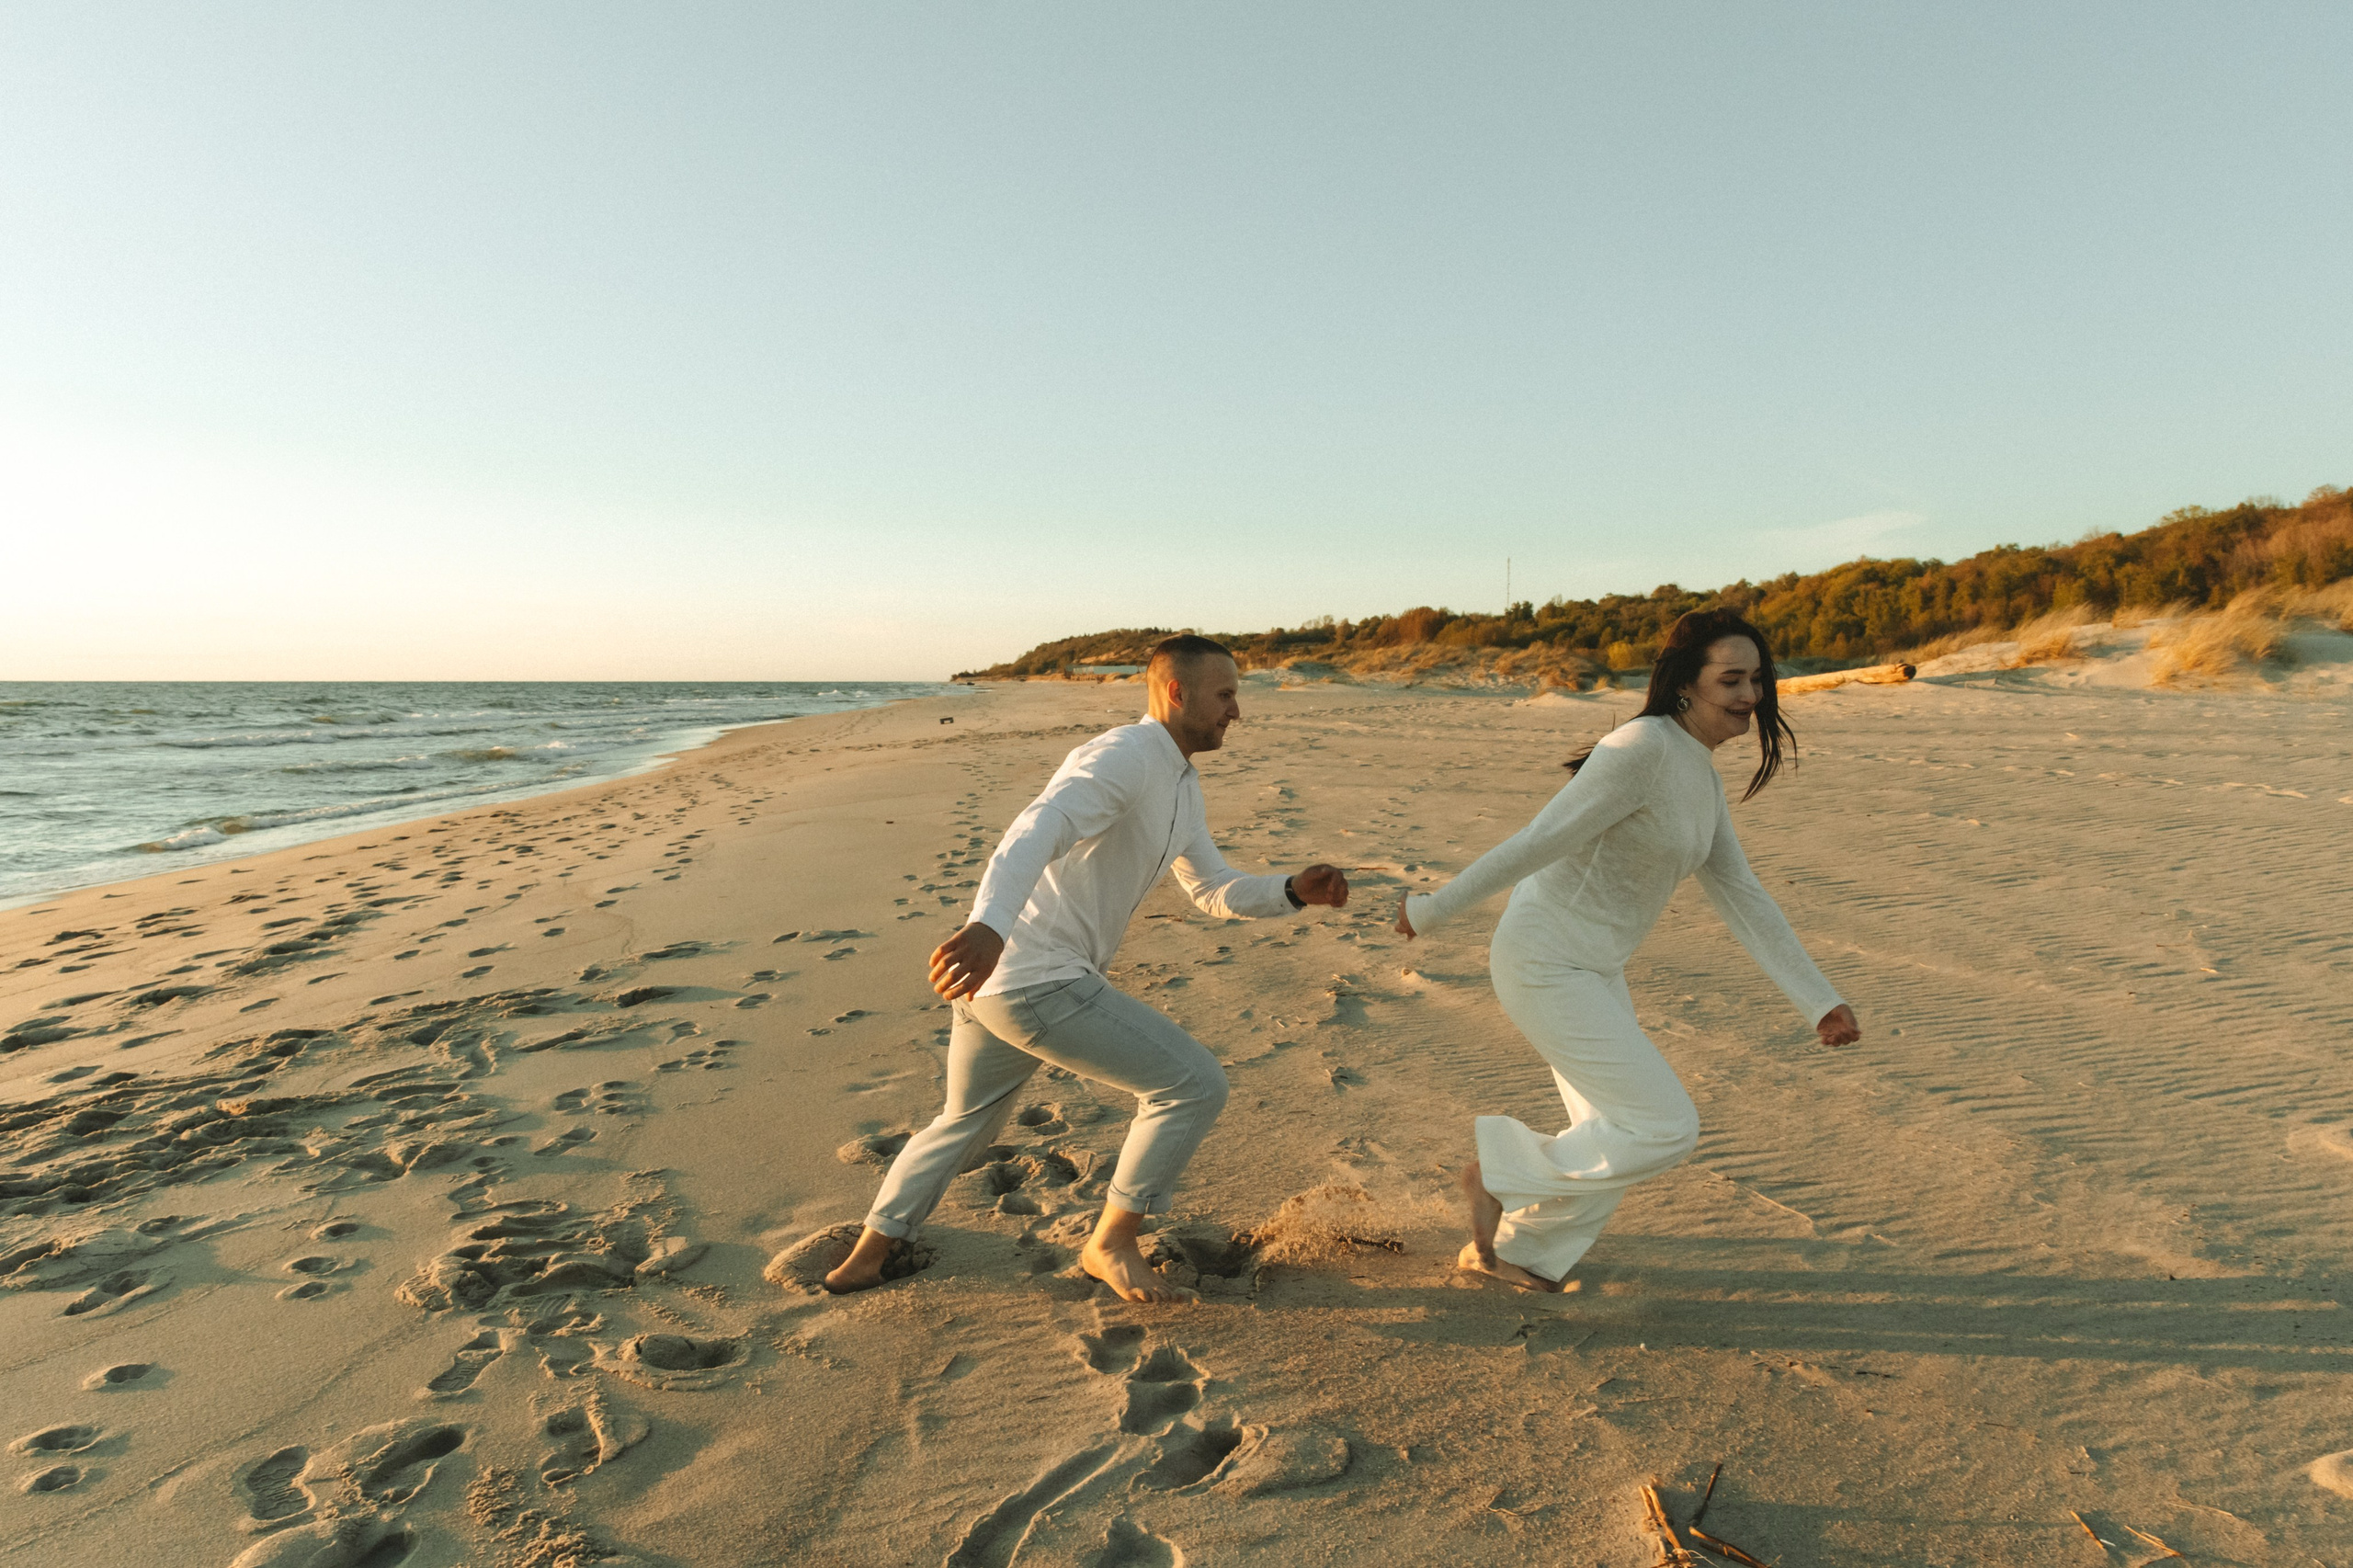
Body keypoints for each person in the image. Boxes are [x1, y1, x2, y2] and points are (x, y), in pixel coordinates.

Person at [825, 635, 1350, 1302]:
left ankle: (867, 1256)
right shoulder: (1125, 755)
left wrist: (1291, 891)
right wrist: (989, 925)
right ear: (1177, 693)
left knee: (965, 1121)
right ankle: (1111, 1244)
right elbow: (1038, 826)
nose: (1236, 712)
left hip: (1001, 981)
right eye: (1224, 695)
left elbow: (1211, 887)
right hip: (1035, 974)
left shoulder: (1182, 786)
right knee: (1193, 1085)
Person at [1395, 608, 1861, 1291]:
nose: (1750, 696)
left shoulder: (1698, 771)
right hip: (1544, 961)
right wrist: (1430, 909)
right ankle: (1498, 1176)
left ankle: (1522, 1253)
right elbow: (1538, 841)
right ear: (1686, 683)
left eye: (1758, 679)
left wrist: (1819, 1001)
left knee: (1613, 1132)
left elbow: (1743, 895)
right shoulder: (1639, 750)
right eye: (1731, 680)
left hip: (1594, 968)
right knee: (1663, 1126)